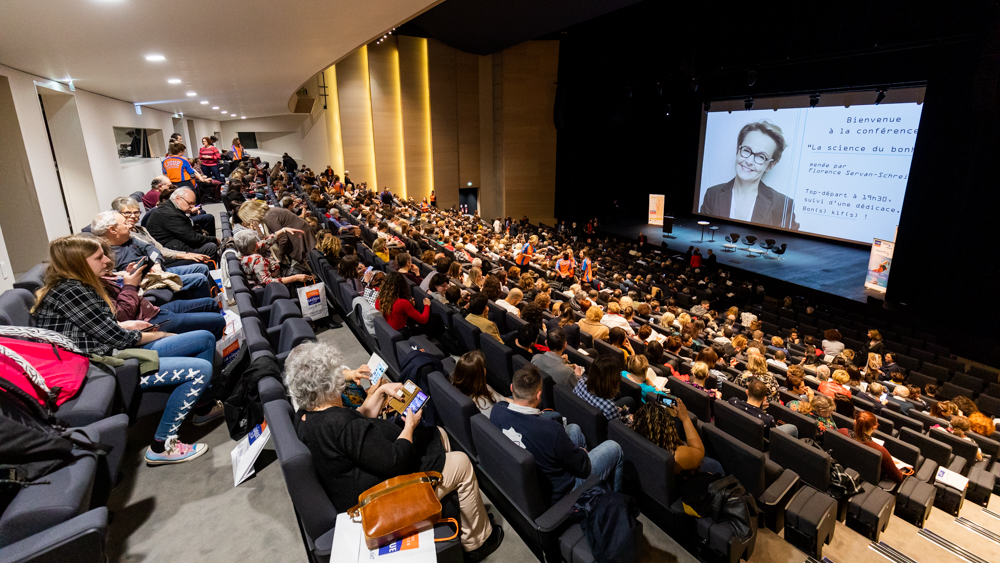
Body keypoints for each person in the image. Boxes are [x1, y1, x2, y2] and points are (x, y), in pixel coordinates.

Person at [287, 341, 502, 559]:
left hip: (363, 481)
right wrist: (409, 426)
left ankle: (456, 512)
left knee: (438, 434)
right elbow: (395, 461)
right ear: (329, 382)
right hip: (379, 500)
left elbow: (359, 419)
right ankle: (476, 542)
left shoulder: (306, 414)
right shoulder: (338, 422)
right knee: (462, 463)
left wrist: (381, 391)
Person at [32, 236, 221, 465]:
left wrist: (127, 325)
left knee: (204, 339)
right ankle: (163, 445)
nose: (107, 260)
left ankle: (202, 407)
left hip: (109, 352)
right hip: (104, 367)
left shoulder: (78, 285)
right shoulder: (71, 292)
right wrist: (160, 334)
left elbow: (102, 328)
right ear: (79, 262)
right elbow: (118, 340)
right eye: (98, 257)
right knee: (199, 370)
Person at [490, 364, 623, 504]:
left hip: (537, 474)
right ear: (539, 395)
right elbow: (583, 466)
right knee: (614, 448)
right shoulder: (550, 429)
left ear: (512, 388)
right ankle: (616, 503)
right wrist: (581, 454)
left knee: (574, 429)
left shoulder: (497, 410)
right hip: (562, 492)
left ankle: (595, 495)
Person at [97, 238, 224, 339]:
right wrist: (130, 285)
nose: (107, 260)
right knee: (216, 321)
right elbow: (123, 315)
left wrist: (130, 275)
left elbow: (153, 249)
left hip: (149, 308)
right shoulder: (93, 286)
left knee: (210, 303)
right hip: (146, 319)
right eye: (99, 257)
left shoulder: (133, 236)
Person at [699, 120, 798, 229]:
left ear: (770, 165)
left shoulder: (783, 205)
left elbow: (786, 244)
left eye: (761, 156)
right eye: (746, 150)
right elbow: (702, 235)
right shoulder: (712, 194)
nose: (749, 161)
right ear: (738, 150)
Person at [91, 210, 211, 299]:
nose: (129, 226)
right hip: (147, 284)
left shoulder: (129, 239)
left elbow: (152, 249)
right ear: (113, 230)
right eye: (125, 223)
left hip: (159, 271)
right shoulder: (104, 254)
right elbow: (113, 278)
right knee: (199, 279)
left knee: (202, 268)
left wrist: (156, 263)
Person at [112, 197, 211, 267]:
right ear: (117, 214)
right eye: (128, 213)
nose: (133, 216)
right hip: (153, 265)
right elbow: (155, 253)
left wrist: (186, 254)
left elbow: (161, 249)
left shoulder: (141, 229)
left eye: (136, 212)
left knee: (199, 258)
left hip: (162, 258)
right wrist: (185, 255)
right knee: (198, 263)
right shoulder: (125, 235)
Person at [631, 399, 722, 474]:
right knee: (714, 465)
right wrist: (685, 418)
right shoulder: (675, 457)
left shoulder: (632, 438)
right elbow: (699, 451)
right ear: (666, 427)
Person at [238, 199, 317, 265]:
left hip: (301, 237)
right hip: (299, 236)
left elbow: (283, 238)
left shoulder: (269, 216)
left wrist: (280, 257)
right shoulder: (268, 213)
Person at [146, 187, 220, 258]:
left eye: (194, 203)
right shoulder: (171, 214)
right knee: (210, 247)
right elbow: (192, 238)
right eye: (189, 203)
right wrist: (214, 239)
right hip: (167, 250)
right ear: (177, 199)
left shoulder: (170, 207)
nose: (192, 206)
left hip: (172, 243)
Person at [233, 229, 312, 289]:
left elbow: (265, 242)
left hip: (277, 274)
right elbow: (267, 282)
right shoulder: (257, 259)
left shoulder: (242, 252)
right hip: (278, 287)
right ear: (254, 245)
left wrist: (283, 230)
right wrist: (295, 278)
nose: (258, 243)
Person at [838, 412, 904, 483]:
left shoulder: (841, 432)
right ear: (874, 427)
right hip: (867, 482)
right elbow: (898, 477)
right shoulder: (881, 451)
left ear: (855, 422)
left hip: (843, 471)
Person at [729, 379, 799, 438]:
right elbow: (770, 437)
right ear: (764, 398)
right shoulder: (768, 419)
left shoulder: (733, 402)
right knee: (793, 428)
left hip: (734, 435)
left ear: (747, 392)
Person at [573, 356, 634, 421]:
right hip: (599, 425)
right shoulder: (610, 408)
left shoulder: (580, 382)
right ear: (614, 380)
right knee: (630, 400)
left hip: (583, 418)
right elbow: (617, 427)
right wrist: (629, 417)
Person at [451, 351, 505, 417]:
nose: (485, 369)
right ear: (480, 374)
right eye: (483, 367)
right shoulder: (483, 404)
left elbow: (502, 398)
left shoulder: (454, 386)